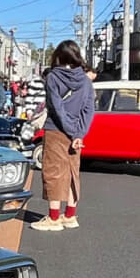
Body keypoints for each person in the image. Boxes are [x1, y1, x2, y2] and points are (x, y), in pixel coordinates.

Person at [31, 40, 95, 232]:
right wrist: (78, 133)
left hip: (55, 130)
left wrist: (68, 129)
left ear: (58, 56)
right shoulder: (85, 80)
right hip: (76, 133)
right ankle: (70, 215)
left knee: (53, 173)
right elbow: (89, 109)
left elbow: (57, 108)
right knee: (72, 173)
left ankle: (53, 218)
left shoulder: (53, 77)